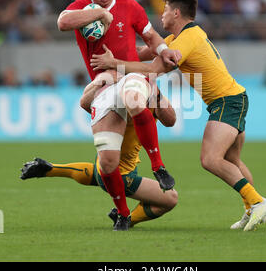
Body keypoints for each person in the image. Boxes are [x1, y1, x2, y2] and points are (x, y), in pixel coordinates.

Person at [91, 0, 266, 232]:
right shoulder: (181, 38)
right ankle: (252, 207)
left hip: (226, 101)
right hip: (232, 98)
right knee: (232, 160)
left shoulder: (186, 40)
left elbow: (152, 70)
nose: (162, 14)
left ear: (176, 12)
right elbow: (144, 52)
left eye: (165, 10)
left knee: (210, 159)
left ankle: (258, 201)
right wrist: (116, 50)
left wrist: (114, 64)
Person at [56, 0, 180, 229]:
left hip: (131, 77)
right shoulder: (82, 7)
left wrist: (163, 51)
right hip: (104, 84)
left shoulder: (130, 6)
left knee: (169, 117)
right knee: (108, 162)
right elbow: (63, 22)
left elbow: (152, 38)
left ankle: (158, 166)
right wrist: (99, 14)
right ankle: (123, 214)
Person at [20, 80, 178, 230]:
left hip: (104, 161)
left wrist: (157, 95)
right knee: (170, 198)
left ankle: (51, 169)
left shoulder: (146, 93)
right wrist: (103, 82)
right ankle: (127, 219)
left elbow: (171, 120)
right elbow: (85, 103)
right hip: (121, 174)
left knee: (99, 172)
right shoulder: (120, 95)